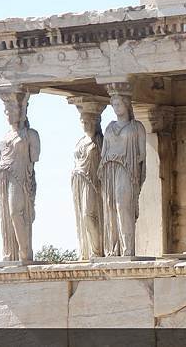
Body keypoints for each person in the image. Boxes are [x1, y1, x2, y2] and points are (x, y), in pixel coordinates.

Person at [99, 93, 146, 257]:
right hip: (110, 170)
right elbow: (103, 152)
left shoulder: (137, 127)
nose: (116, 108)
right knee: (111, 208)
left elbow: (142, 155)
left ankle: (128, 249)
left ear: (127, 105)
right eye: (114, 105)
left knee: (122, 205)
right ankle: (113, 249)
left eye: (119, 104)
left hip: (127, 170)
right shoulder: (109, 128)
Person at [0, 93, 40, 261]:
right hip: (4, 178)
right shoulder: (5, 136)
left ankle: (25, 252)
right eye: (6, 111)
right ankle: (12, 253)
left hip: (20, 177)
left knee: (16, 212)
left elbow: (34, 157)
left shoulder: (31, 135)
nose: (8, 114)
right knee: (7, 215)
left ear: (21, 112)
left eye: (11, 111)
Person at [72, 111, 104, 259]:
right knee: (83, 216)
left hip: (93, 182)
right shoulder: (80, 141)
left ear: (95, 122)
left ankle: (97, 250)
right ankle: (89, 250)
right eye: (83, 122)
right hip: (80, 181)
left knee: (88, 214)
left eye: (89, 122)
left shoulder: (99, 141)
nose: (86, 125)